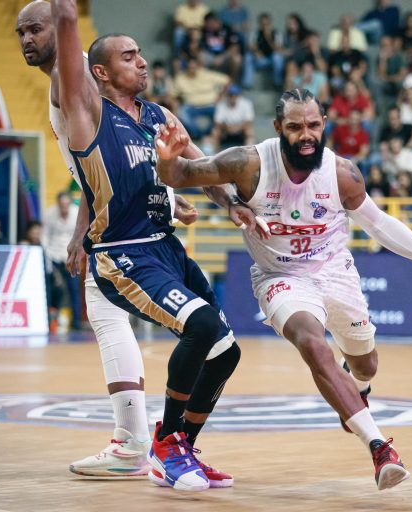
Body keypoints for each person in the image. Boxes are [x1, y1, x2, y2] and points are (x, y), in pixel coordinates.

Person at [154, 88, 412, 490]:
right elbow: (180, 175)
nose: (306, 134)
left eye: (313, 125)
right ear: (277, 127)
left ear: (324, 125)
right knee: (312, 342)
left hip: (335, 272)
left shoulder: (341, 173)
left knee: (366, 364)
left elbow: (379, 224)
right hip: (280, 277)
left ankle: (356, 387)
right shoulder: (248, 163)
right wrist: (168, 159)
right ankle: (380, 448)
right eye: (295, 126)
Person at [48, 0, 255, 492]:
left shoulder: (160, 115)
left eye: (141, 53)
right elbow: (66, 21)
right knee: (199, 326)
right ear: (99, 72)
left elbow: (203, 169)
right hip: (124, 253)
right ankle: (163, 445)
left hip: (167, 249)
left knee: (225, 352)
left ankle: (179, 447)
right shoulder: (88, 111)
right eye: (128, 56)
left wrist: (231, 204)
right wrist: (63, 15)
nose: (142, 62)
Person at [42, 191, 81, 331]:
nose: (64, 206)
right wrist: (47, 255)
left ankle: (76, 323)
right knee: (51, 289)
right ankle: (48, 321)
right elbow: (45, 236)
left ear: (70, 203)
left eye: (66, 204)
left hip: (71, 256)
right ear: (58, 203)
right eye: (61, 204)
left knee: (74, 289)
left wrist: (73, 256)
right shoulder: (49, 214)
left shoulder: (77, 213)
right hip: (53, 256)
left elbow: (80, 235)